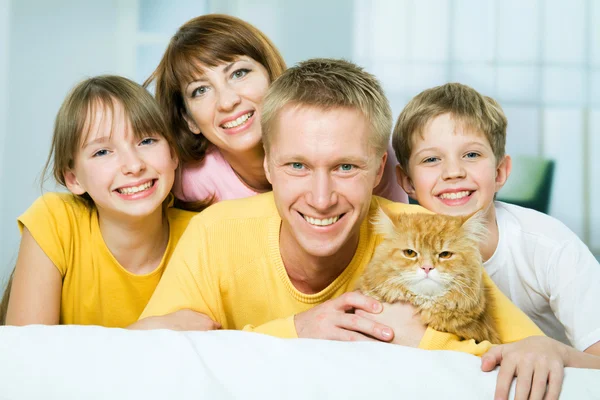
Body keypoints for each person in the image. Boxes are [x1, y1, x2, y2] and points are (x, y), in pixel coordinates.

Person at [391, 82, 600, 399]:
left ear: (501, 171)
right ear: (406, 181)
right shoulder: (396, 255)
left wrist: (552, 350)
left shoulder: (549, 245)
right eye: (432, 160)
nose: (453, 172)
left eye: (471, 154)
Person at [1, 75, 204, 328]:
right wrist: (144, 334)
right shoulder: (55, 221)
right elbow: (28, 355)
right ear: (74, 179)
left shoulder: (203, 233)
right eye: (102, 152)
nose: (133, 165)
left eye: (147, 141)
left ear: (173, 153)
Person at [146, 14, 407, 208]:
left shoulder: (365, 149)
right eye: (200, 90)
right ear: (189, 119)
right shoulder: (188, 180)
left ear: (272, 77)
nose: (227, 102)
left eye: (239, 73)